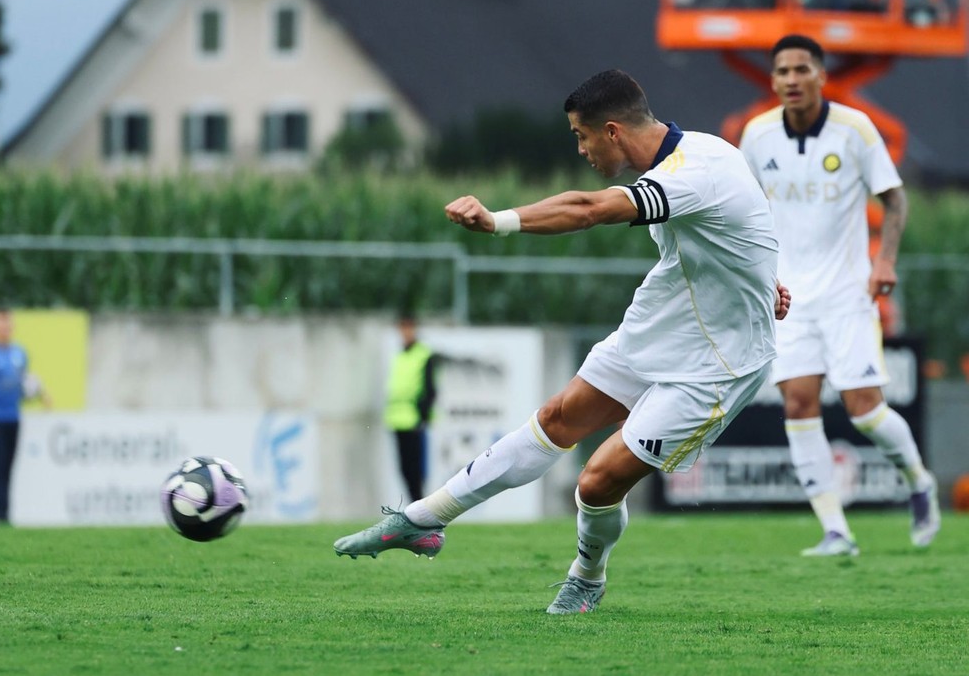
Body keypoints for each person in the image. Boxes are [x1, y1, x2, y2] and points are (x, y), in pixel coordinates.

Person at [334, 69, 789, 615]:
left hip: (720, 362)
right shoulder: (696, 155)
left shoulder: (697, 169)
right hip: (666, 323)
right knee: (555, 419)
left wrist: (497, 221)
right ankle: (419, 522)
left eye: (581, 135)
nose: (581, 148)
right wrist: (768, 281)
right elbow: (744, 224)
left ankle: (586, 577)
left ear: (614, 131)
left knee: (596, 482)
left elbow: (590, 209)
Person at [739, 34, 939, 556]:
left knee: (865, 411)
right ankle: (835, 530)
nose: (790, 79)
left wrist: (885, 259)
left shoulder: (854, 129)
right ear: (773, 79)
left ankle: (919, 480)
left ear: (822, 76)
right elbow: (740, 208)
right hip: (788, 297)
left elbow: (894, 200)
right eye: (781, 71)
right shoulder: (756, 136)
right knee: (798, 403)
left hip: (848, 293)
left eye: (801, 69)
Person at [0, 308, 51, 525]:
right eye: (0, 325)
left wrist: (42, 395)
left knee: (8, 467)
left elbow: (25, 383)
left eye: (7, 325)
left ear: (12, 328)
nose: (4, 329)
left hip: (13, 418)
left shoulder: (19, 354)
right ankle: (2, 516)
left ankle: (5, 513)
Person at [384, 313, 439, 502]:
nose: (405, 332)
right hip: (397, 419)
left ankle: (419, 509)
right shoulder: (400, 354)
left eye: (408, 327)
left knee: (416, 470)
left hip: (414, 420)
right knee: (404, 469)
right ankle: (413, 508)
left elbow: (430, 389)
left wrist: (422, 417)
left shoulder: (423, 354)